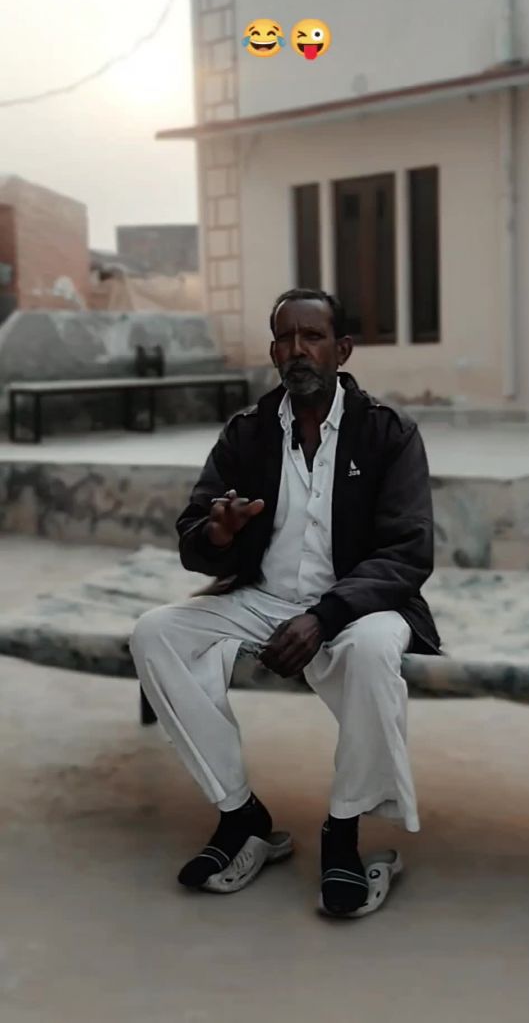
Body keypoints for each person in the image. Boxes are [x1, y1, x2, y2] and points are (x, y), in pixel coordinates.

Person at [130, 288, 441, 917]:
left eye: (313, 337)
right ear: (273, 352)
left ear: (342, 350)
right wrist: (218, 536)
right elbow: (194, 533)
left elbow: (408, 553)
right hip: (261, 599)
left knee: (375, 649)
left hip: (355, 607)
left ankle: (342, 833)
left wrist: (325, 616)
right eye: (285, 339)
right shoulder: (247, 433)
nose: (298, 350)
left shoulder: (387, 433)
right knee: (155, 633)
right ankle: (241, 813)